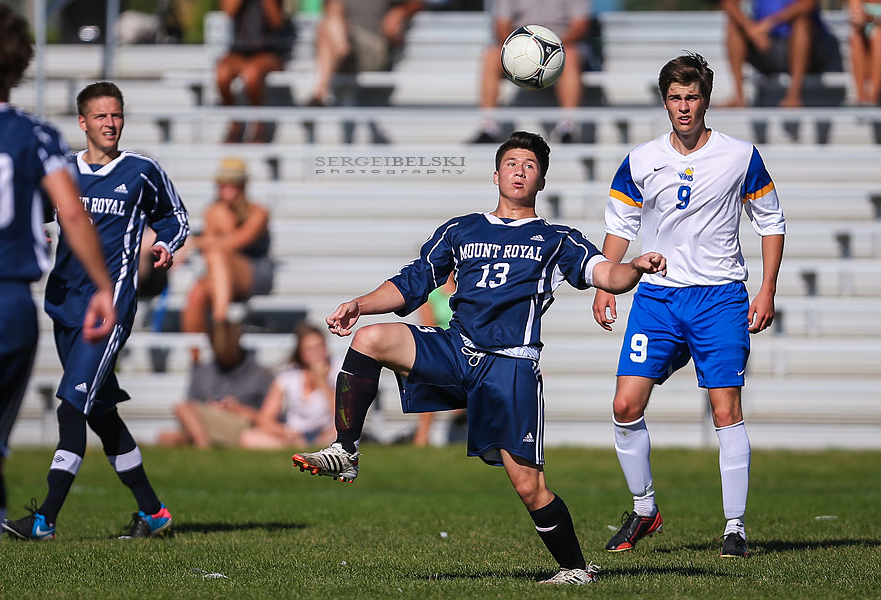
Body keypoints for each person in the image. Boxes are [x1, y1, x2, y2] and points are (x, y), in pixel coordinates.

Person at [291, 131, 667, 585]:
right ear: (495, 174)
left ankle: (574, 569)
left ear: (541, 180)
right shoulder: (461, 229)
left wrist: (635, 269)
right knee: (370, 339)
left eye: (530, 165)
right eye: (511, 163)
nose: (519, 170)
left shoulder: (557, 238)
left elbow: (605, 272)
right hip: (457, 347)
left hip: (509, 366)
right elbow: (411, 283)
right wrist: (358, 303)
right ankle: (345, 449)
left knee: (529, 486)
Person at [592, 53, 786, 559]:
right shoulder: (640, 159)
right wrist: (606, 285)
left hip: (720, 298)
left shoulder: (740, 156)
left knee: (725, 409)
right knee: (623, 405)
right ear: (664, 102)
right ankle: (643, 509)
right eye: (675, 98)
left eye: (692, 97)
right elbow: (621, 227)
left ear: (706, 99)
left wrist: (766, 290)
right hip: (657, 298)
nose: (684, 107)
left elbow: (771, 222)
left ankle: (735, 528)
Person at [2, 81, 190, 542]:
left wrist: (165, 243)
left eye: (117, 115)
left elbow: (176, 216)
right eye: (101, 116)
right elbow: (33, 211)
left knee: (71, 406)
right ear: (83, 122)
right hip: (65, 303)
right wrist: (36, 234)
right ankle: (154, 514)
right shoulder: (64, 171)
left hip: (108, 311)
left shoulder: (142, 170)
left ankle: (44, 519)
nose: (111, 123)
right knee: (101, 415)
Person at [0, 3, 116, 594]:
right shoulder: (36, 135)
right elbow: (73, 213)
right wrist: (104, 286)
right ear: (19, 63)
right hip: (10, 308)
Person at [180, 157, 272, 355]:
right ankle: (196, 356)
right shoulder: (213, 211)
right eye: (222, 185)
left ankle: (220, 321)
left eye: (232, 185)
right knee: (196, 293)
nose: (225, 189)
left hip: (253, 272)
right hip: (222, 276)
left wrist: (195, 242)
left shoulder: (259, 212)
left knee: (217, 252)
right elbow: (213, 250)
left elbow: (239, 241)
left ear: (243, 186)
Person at [470, 0, 593, 144]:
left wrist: (551, 47)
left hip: (561, 46)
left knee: (570, 56)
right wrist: (518, 47)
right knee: (491, 55)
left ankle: (568, 127)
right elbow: (501, 25)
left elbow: (580, 26)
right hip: (520, 46)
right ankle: (488, 127)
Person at [159, 320, 274, 448]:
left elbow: (269, 421)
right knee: (166, 437)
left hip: (242, 427)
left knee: (182, 408)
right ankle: (201, 442)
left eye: (229, 351)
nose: (225, 357)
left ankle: (203, 447)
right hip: (208, 424)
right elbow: (192, 409)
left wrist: (238, 409)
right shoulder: (202, 372)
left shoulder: (261, 375)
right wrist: (212, 408)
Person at [721, 0, 841, 107]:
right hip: (767, 46)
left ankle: (794, 96)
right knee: (734, 26)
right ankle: (738, 96)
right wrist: (751, 29)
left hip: (808, 51)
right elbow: (729, 3)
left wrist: (770, 23)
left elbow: (808, 4)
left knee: (802, 22)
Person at [305, 0, 424, 107]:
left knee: (327, 24)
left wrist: (400, 12)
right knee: (331, 14)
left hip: (373, 49)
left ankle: (320, 93)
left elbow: (417, 3)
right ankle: (343, 53)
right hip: (342, 45)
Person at [239, 322, 338, 449]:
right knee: (249, 437)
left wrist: (322, 383)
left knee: (337, 435)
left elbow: (343, 417)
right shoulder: (289, 375)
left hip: (326, 432)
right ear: (301, 353)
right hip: (295, 434)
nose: (316, 353)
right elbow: (266, 418)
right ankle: (298, 448)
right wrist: (285, 432)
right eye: (310, 349)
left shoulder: (338, 369)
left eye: (319, 346)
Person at [216, 0, 296, 143]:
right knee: (222, 73)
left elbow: (276, 21)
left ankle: (259, 125)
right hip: (240, 50)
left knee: (251, 74)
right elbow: (229, 12)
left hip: (271, 51)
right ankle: (235, 123)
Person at [411, 273, 459, 446]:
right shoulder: (431, 294)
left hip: (465, 349)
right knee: (429, 385)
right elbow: (428, 327)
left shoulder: (465, 289)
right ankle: (421, 439)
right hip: (441, 348)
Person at [848, 0, 881, 105]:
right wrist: (859, 19)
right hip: (868, 37)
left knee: (878, 37)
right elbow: (856, 16)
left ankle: (872, 97)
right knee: (856, 39)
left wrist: (871, 18)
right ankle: (861, 97)